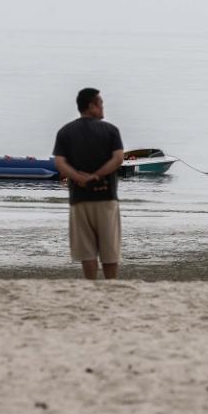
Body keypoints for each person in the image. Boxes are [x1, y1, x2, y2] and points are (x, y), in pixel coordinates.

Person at [53, 88, 126, 280]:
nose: (103, 108)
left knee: (87, 252)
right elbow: (118, 158)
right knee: (109, 251)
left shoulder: (65, 132)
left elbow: (60, 163)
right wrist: (96, 175)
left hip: (79, 199)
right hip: (106, 198)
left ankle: (91, 287)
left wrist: (79, 177)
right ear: (91, 106)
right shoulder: (111, 130)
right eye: (100, 104)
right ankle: (110, 286)